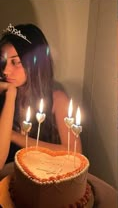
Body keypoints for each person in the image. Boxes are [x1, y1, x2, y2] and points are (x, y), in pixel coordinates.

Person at [0, 23, 81, 170]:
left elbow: (74, 153)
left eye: (15, 62)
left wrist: (12, 135)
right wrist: (10, 95)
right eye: (3, 61)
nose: (5, 70)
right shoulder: (3, 95)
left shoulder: (57, 99)